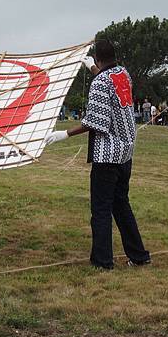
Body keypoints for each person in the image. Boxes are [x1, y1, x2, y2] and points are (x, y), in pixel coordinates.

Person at [44, 36, 150, 270]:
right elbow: (104, 79)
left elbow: (95, 122)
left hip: (107, 156)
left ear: (99, 59)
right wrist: (90, 65)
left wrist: (65, 134)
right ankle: (139, 255)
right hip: (126, 154)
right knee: (121, 204)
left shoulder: (100, 82)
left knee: (101, 210)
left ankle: (103, 262)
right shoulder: (123, 73)